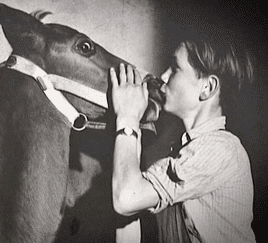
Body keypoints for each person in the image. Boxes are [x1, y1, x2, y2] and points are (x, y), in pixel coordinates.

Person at [110, 38, 256, 242]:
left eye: (175, 68)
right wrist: (131, 125)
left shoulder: (222, 148)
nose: (163, 76)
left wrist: (127, 116)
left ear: (207, 87)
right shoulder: (178, 152)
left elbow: (126, 198)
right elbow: (127, 208)